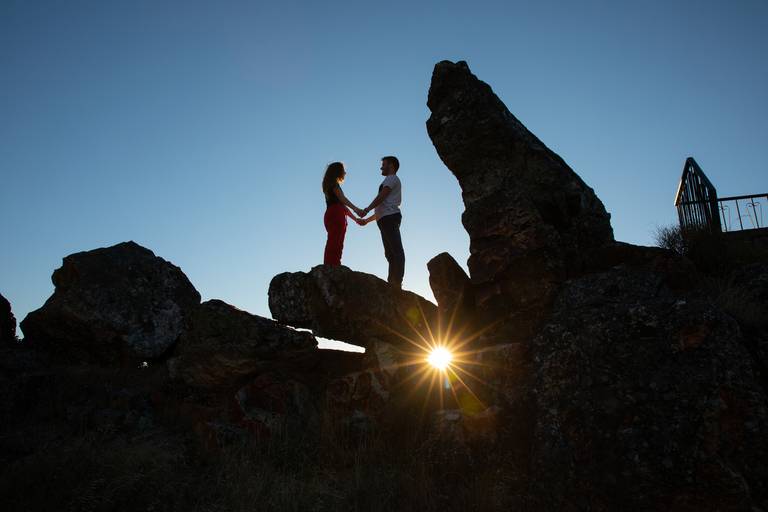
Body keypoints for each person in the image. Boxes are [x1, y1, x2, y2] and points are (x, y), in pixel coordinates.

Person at [359, 156, 405, 290]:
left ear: (391, 165)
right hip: (385, 219)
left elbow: (382, 197)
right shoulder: (388, 180)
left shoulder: (392, 179)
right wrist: (367, 221)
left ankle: (396, 283)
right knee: (390, 254)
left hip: (390, 218)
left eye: (383, 164)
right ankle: (392, 283)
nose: (381, 167)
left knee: (396, 252)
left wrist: (366, 209)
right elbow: (381, 208)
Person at [322, 162, 365, 266]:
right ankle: (333, 266)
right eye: (343, 170)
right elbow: (343, 200)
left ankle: (331, 265)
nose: (345, 173)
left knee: (334, 240)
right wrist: (356, 209)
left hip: (332, 213)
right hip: (336, 214)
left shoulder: (328, 185)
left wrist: (355, 219)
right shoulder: (334, 184)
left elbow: (342, 206)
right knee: (336, 242)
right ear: (338, 171)